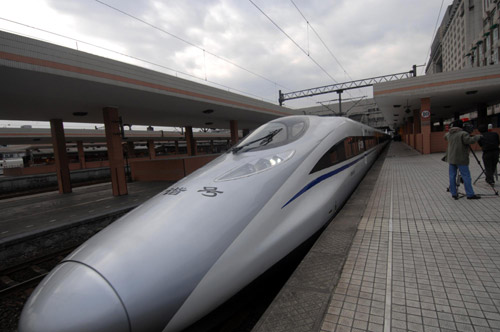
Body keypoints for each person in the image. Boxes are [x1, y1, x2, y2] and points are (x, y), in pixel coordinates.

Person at [444, 119, 481, 199]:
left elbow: (445, 136)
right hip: (461, 159)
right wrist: (477, 137)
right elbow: (469, 141)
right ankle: (470, 194)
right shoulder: (463, 134)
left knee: (452, 176)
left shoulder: (449, 134)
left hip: (451, 159)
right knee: (466, 176)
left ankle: (453, 193)